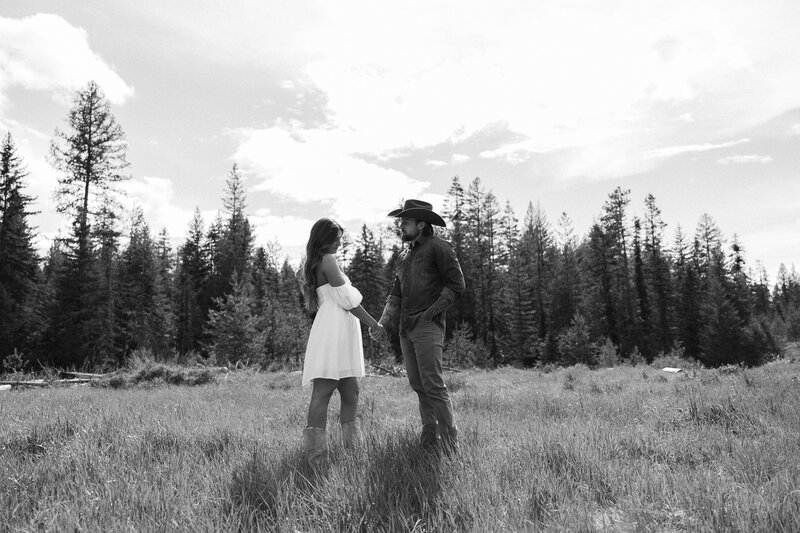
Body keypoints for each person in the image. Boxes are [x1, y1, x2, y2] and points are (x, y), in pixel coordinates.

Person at [372, 199, 465, 453]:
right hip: (405, 330)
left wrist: (429, 315)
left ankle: (449, 445)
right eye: (401, 221)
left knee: (433, 384)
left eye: (406, 222)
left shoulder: (439, 247)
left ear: (422, 224)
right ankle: (429, 438)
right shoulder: (403, 255)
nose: (401, 226)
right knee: (418, 385)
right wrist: (382, 323)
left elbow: (457, 284)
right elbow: (396, 294)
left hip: (428, 327)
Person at [301, 218, 385, 467]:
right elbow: (348, 300)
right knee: (323, 391)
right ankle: (316, 457)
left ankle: (352, 451)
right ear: (324, 239)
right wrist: (373, 324)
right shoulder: (327, 260)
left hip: (341, 328)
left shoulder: (321, 260)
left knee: (351, 391)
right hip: (333, 328)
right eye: (336, 237)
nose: (340, 242)